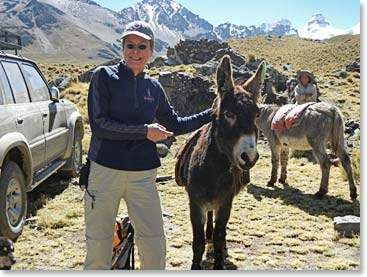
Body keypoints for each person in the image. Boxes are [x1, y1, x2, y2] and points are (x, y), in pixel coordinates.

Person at [83, 21, 213, 270]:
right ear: (122, 47)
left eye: (142, 46)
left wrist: (211, 112)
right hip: (104, 172)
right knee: (98, 247)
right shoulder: (103, 77)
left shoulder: (153, 87)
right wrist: (145, 132)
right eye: (130, 45)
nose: (135, 51)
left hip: (142, 176)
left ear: (151, 50)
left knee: (154, 246)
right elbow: (100, 125)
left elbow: (175, 123)